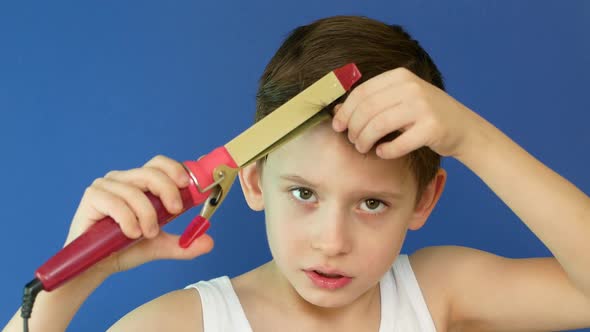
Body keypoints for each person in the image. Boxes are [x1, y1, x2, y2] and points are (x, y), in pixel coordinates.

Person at [4, 15, 590, 332]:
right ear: (254, 181)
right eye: (304, 192)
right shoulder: (180, 325)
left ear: (424, 200)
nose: (331, 243)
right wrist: (77, 275)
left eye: (372, 204)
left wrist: (473, 139)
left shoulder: (441, 295)